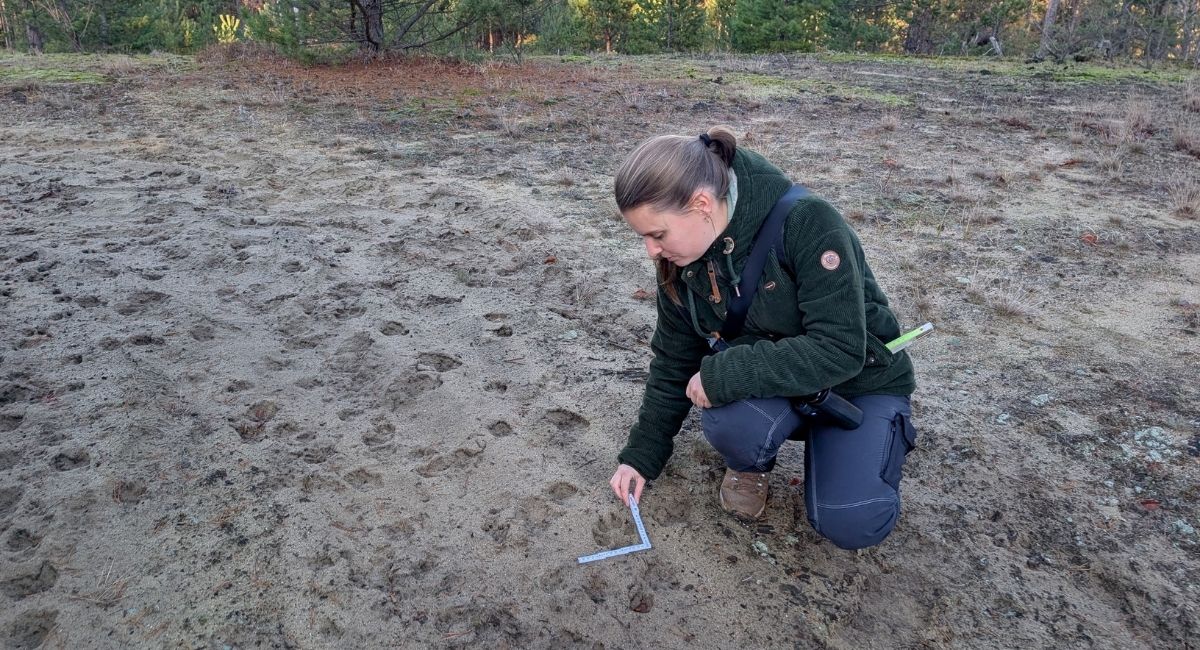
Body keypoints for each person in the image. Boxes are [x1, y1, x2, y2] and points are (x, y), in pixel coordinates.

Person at [608, 126, 918, 550]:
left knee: (853, 521)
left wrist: (726, 372)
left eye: (657, 234)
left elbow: (842, 348)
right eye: (642, 237)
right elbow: (672, 362)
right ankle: (753, 462)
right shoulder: (684, 261)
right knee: (731, 420)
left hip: (857, 383)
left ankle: (860, 445)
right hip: (780, 387)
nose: (650, 251)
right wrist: (641, 456)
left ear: (701, 204)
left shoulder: (809, 222)